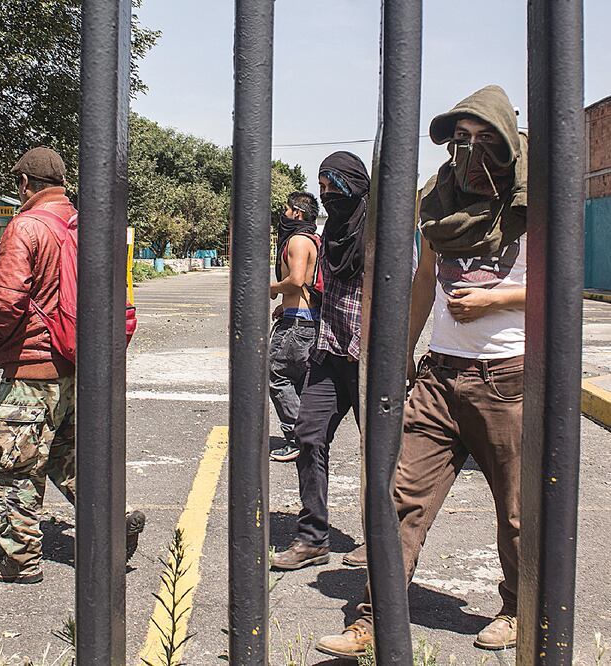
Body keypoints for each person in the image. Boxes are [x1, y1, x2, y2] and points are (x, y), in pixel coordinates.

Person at [316, 85, 528, 658]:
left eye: (486, 140)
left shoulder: (534, 202)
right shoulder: (441, 200)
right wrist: (404, 352)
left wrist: (497, 300)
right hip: (440, 376)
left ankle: (518, 610)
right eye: (461, 139)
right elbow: (424, 280)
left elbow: (560, 290)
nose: (471, 152)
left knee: (515, 510)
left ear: (509, 142)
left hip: (507, 380)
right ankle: (374, 617)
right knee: (398, 498)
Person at [0, 146, 145, 584]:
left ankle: (20, 559)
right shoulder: (87, 226)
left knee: (11, 467)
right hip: (78, 364)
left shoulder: (26, 226)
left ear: (24, 185)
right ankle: (115, 517)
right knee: (64, 455)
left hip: (33, 371)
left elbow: (9, 299)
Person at [270, 152, 369, 571]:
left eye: (335, 188)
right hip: (329, 350)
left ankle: (381, 538)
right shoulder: (328, 236)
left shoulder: (381, 233)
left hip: (368, 358)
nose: (328, 197)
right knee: (309, 437)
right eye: (323, 188)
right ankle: (313, 538)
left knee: (379, 451)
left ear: (355, 187)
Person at [268, 191, 322, 462]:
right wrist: (284, 304)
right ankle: (308, 437)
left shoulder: (298, 241)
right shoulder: (312, 238)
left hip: (296, 324)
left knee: (277, 375)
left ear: (297, 213)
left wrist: (272, 288)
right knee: (298, 380)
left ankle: (298, 438)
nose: (284, 214)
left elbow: (297, 280)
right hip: (305, 317)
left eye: (286, 209)